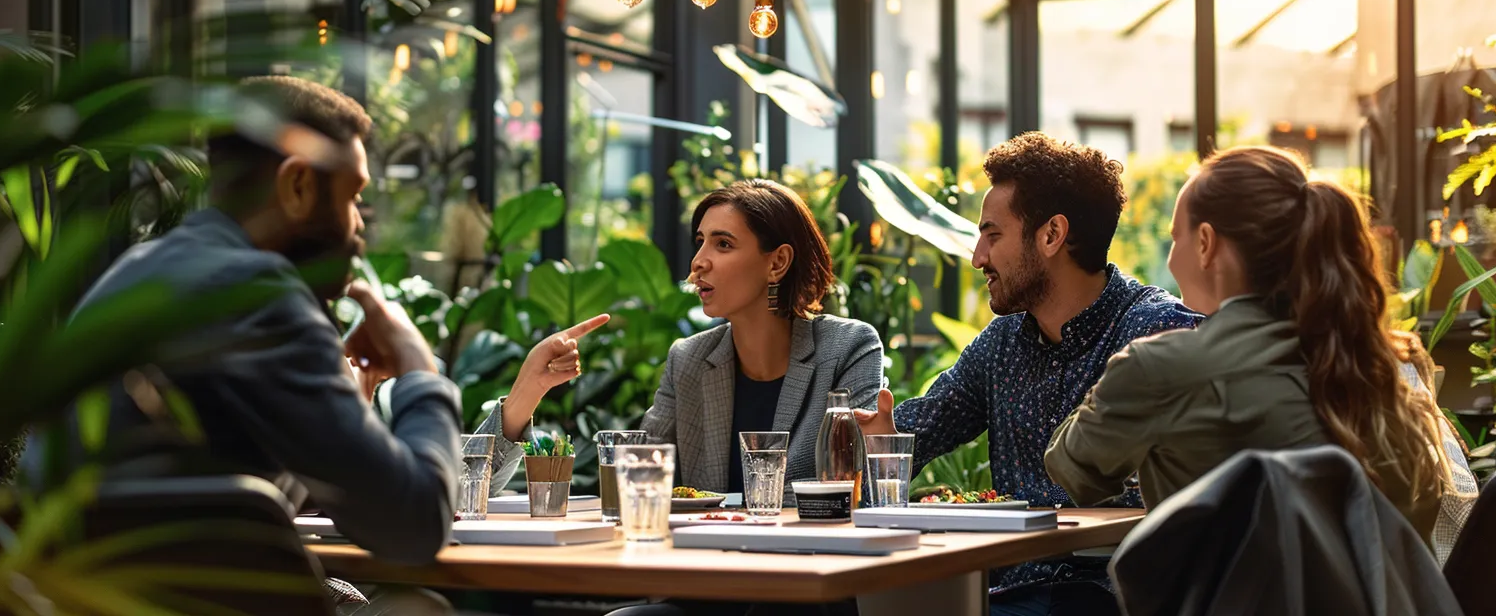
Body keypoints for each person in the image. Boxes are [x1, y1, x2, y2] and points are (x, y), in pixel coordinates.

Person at [66, 77, 596, 614]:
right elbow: (414, 526)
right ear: (296, 186)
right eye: (354, 197)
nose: (360, 226)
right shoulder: (263, 301)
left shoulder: (142, 272)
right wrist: (420, 371)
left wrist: (345, 395)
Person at [1043, 145, 1474, 556]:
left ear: (1207, 244)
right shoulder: (1382, 372)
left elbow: (1072, 468)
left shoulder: (1161, 369)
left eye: (1176, 238)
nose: (1172, 260)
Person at [855, 132, 1202, 616]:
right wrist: (881, 442)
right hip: (1004, 594)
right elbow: (912, 434)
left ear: (1052, 235)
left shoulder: (1159, 331)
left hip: (1116, 595)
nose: (978, 257)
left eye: (993, 235)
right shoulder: (1001, 345)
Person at [478, 179, 884, 496]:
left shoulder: (846, 349)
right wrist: (528, 389)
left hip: (804, 585)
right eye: (700, 242)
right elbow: (631, 483)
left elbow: (849, 490)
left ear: (777, 262)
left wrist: (873, 450)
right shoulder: (689, 359)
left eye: (723, 244)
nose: (697, 262)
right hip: (697, 583)